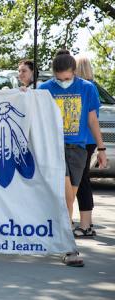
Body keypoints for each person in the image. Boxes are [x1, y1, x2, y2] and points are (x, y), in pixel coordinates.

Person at [39, 49, 107, 267]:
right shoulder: (45, 89)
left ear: (74, 71)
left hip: (78, 149)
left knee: (69, 197)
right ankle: (69, 247)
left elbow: (92, 120)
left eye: (67, 77)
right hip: (53, 148)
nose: (63, 81)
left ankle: (62, 240)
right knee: (66, 196)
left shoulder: (87, 88)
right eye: (59, 78)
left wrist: (101, 148)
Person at [73, 56, 100, 238]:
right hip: (89, 140)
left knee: (81, 181)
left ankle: (85, 225)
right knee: (84, 180)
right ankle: (88, 223)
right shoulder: (93, 87)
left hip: (84, 139)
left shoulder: (85, 88)